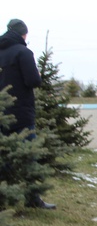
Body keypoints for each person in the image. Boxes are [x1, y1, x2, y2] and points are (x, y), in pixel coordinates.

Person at [0, 19, 56, 209]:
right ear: (23, 34)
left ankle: (4, 198)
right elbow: (33, 80)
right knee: (29, 156)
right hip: (21, 111)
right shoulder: (23, 52)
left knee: (4, 155)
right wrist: (38, 75)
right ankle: (32, 199)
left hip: (2, 112)